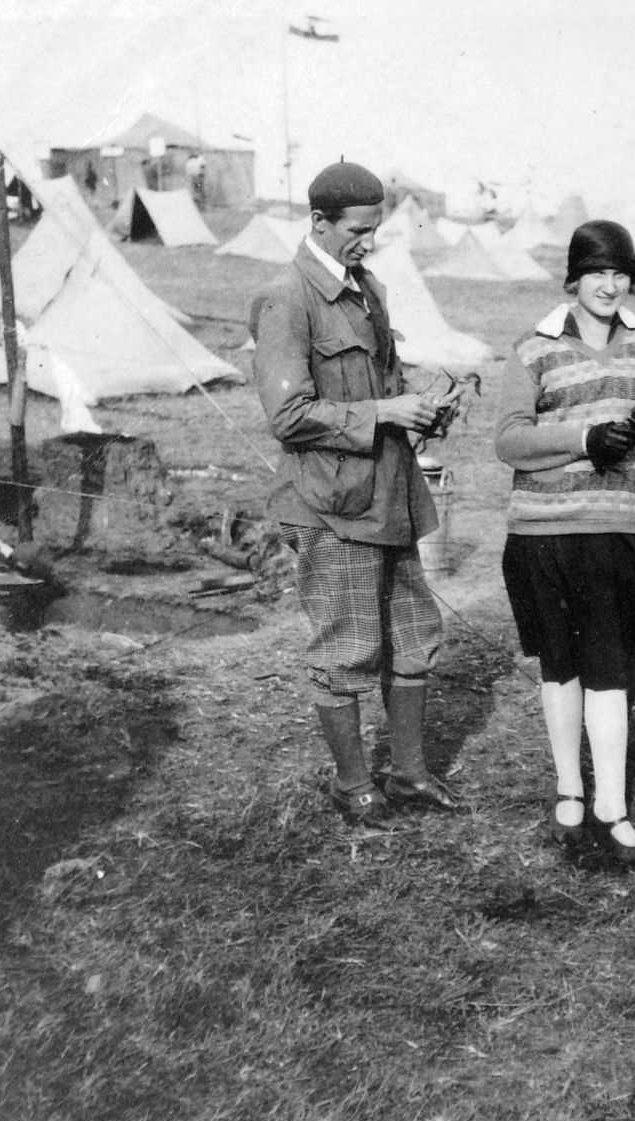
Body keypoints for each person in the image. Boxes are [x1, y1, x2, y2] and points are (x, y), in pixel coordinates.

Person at [253, 160, 460, 827]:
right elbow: (287, 418)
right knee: (347, 647)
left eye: (373, 230)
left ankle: (408, 772)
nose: (367, 242)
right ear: (319, 222)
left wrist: (424, 403)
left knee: (413, 633)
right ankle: (352, 784)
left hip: (390, 494)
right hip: (332, 505)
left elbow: (383, 383)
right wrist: (385, 414)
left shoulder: (367, 288)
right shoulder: (288, 297)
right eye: (357, 230)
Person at [495, 221, 635, 863]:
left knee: (610, 670)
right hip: (542, 530)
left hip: (616, 531)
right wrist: (584, 439)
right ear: (574, 280)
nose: (610, 286)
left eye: (620, 275)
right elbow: (508, 440)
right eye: (597, 275)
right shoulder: (535, 346)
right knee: (559, 666)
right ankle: (568, 790)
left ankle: (612, 807)